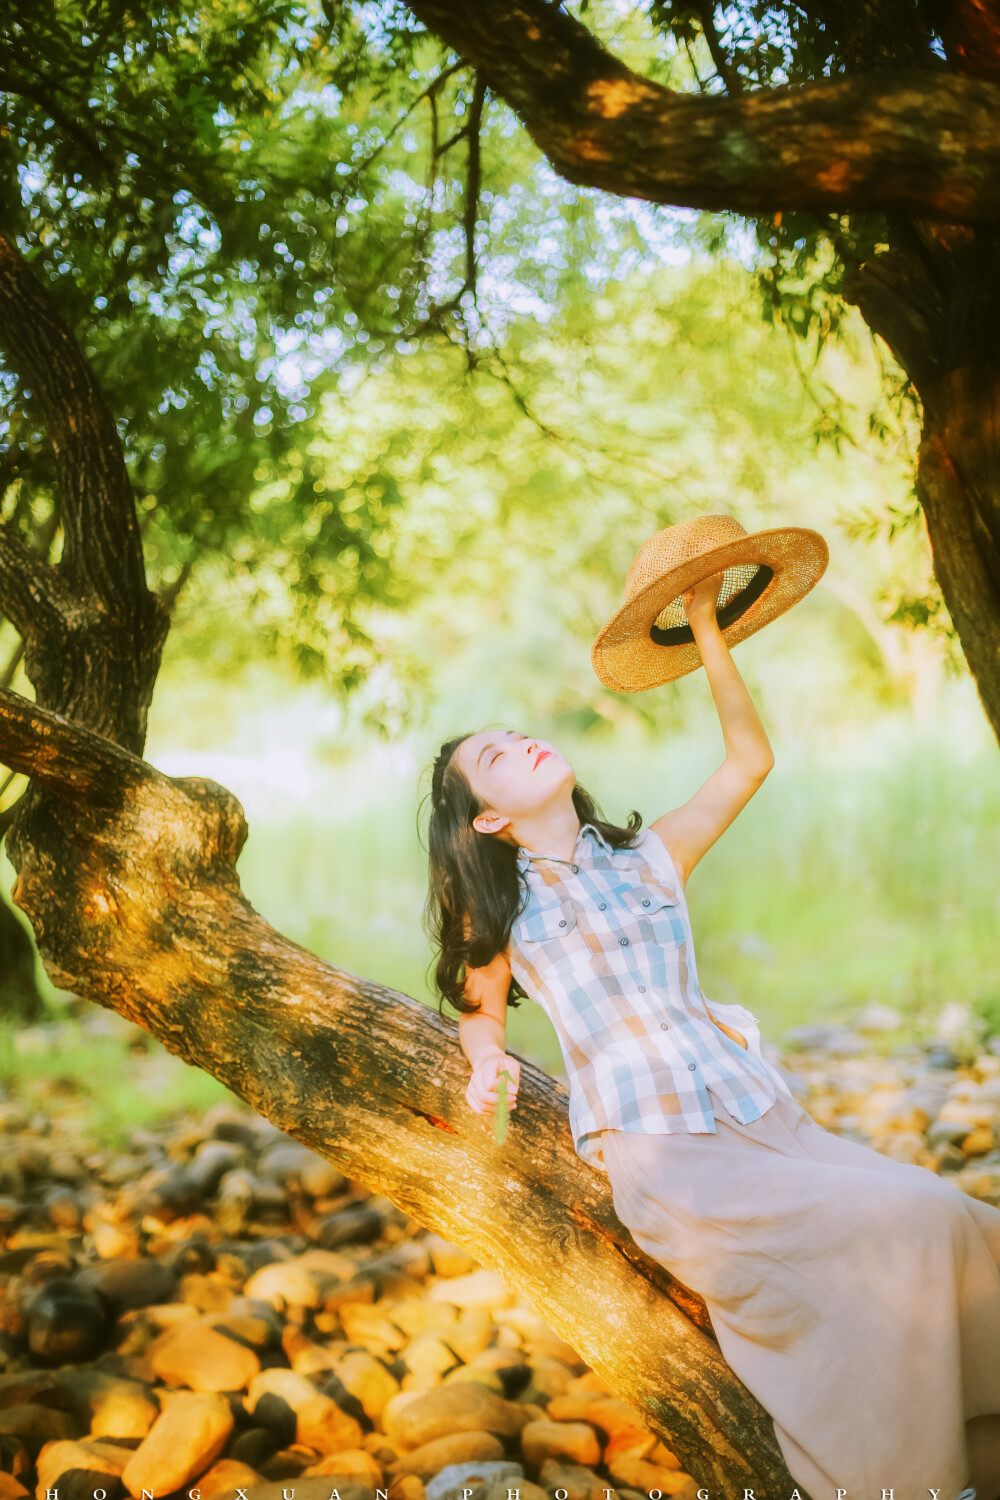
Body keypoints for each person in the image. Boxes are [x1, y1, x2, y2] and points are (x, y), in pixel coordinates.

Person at [423, 569, 1000, 1500]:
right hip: (667, 1156)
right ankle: (902, 1472)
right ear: (490, 818)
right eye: (497, 755)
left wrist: (706, 632)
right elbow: (480, 1010)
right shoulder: (503, 906)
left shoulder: (649, 857)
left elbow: (747, 762)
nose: (522, 743)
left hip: (763, 1117)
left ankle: (968, 1435)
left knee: (952, 1217)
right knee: (910, 1222)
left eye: (519, 733)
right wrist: (485, 1064)